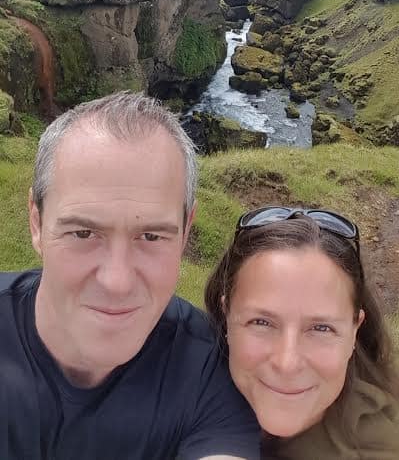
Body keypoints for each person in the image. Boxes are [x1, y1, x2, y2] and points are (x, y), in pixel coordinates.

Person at [0, 91, 260, 460]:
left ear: (185, 232)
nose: (116, 281)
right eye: (83, 234)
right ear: (36, 222)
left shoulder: (210, 371)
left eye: (151, 236)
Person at [205, 206, 399, 459]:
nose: (287, 363)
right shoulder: (176, 372)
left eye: (321, 328)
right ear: (226, 316)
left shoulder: (374, 450)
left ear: (354, 332)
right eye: (261, 322)